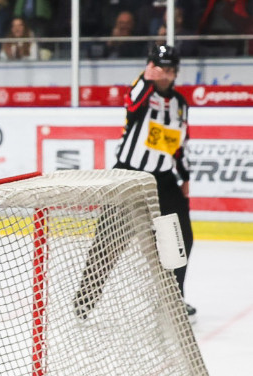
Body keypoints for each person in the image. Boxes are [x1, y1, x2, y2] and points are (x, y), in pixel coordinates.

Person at [82, 44, 195, 318]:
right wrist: (146, 78)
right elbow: (132, 106)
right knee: (108, 240)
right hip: (128, 176)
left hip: (163, 180)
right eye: (160, 68)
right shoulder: (141, 89)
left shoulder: (180, 104)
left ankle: (174, 298)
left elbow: (179, 144)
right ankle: (85, 300)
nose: (165, 74)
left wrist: (185, 178)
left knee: (180, 237)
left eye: (170, 70)